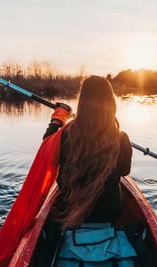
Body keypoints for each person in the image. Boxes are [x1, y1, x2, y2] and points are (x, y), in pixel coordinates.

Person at [43, 75, 133, 229]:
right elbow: (125, 171)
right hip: (109, 213)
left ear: (82, 102)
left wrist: (57, 120)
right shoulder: (121, 138)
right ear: (110, 102)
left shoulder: (66, 133)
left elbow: (46, 148)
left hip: (69, 209)